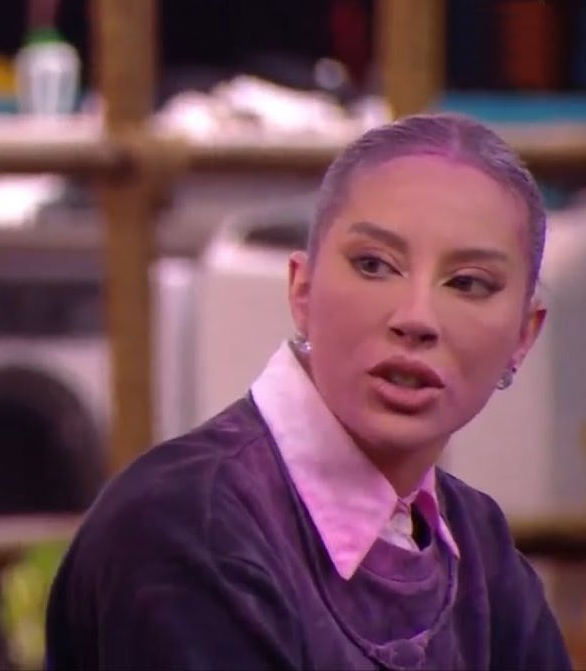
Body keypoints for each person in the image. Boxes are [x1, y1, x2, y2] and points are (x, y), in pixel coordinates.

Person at [45, 113, 573, 670]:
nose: (416, 318)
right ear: (302, 289)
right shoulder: (186, 526)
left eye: (468, 283)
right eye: (374, 265)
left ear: (524, 336)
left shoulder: (478, 545)